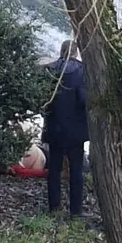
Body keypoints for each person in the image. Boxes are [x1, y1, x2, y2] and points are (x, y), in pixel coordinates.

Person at [44, 40, 89, 217]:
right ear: (76, 53)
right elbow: (83, 101)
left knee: (54, 170)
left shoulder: (50, 69)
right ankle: (75, 211)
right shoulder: (83, 70)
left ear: (61, 51)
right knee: (76, 171)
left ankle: (54, 208)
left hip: (54, 127)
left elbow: (44, 99)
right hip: (75, 130)